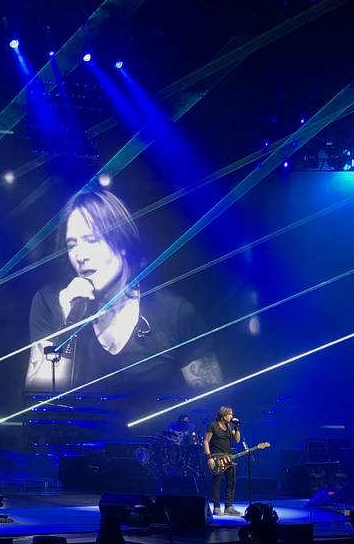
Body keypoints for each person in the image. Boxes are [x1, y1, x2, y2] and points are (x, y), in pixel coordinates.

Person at [25, 189, 220, 392]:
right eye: (72, 245)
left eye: (92, 240)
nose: (80, 255)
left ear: (123, 242)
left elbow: (212, 405)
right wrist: (65, 327)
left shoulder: (174, 312)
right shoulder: (50, 302)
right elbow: (39, 404)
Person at [204, 406, 241, 516]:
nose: (232, 416)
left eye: (232, 414)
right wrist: (209, 458)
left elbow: (237, 440)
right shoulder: (213, 425)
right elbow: (206, 442)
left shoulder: (230, 426)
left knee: (231, 482)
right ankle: (216, 507)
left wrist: (237, 427)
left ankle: (228, 507)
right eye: (229, 414)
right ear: (223, 415)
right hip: (217, 458)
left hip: (229, 457)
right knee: (217, 483)